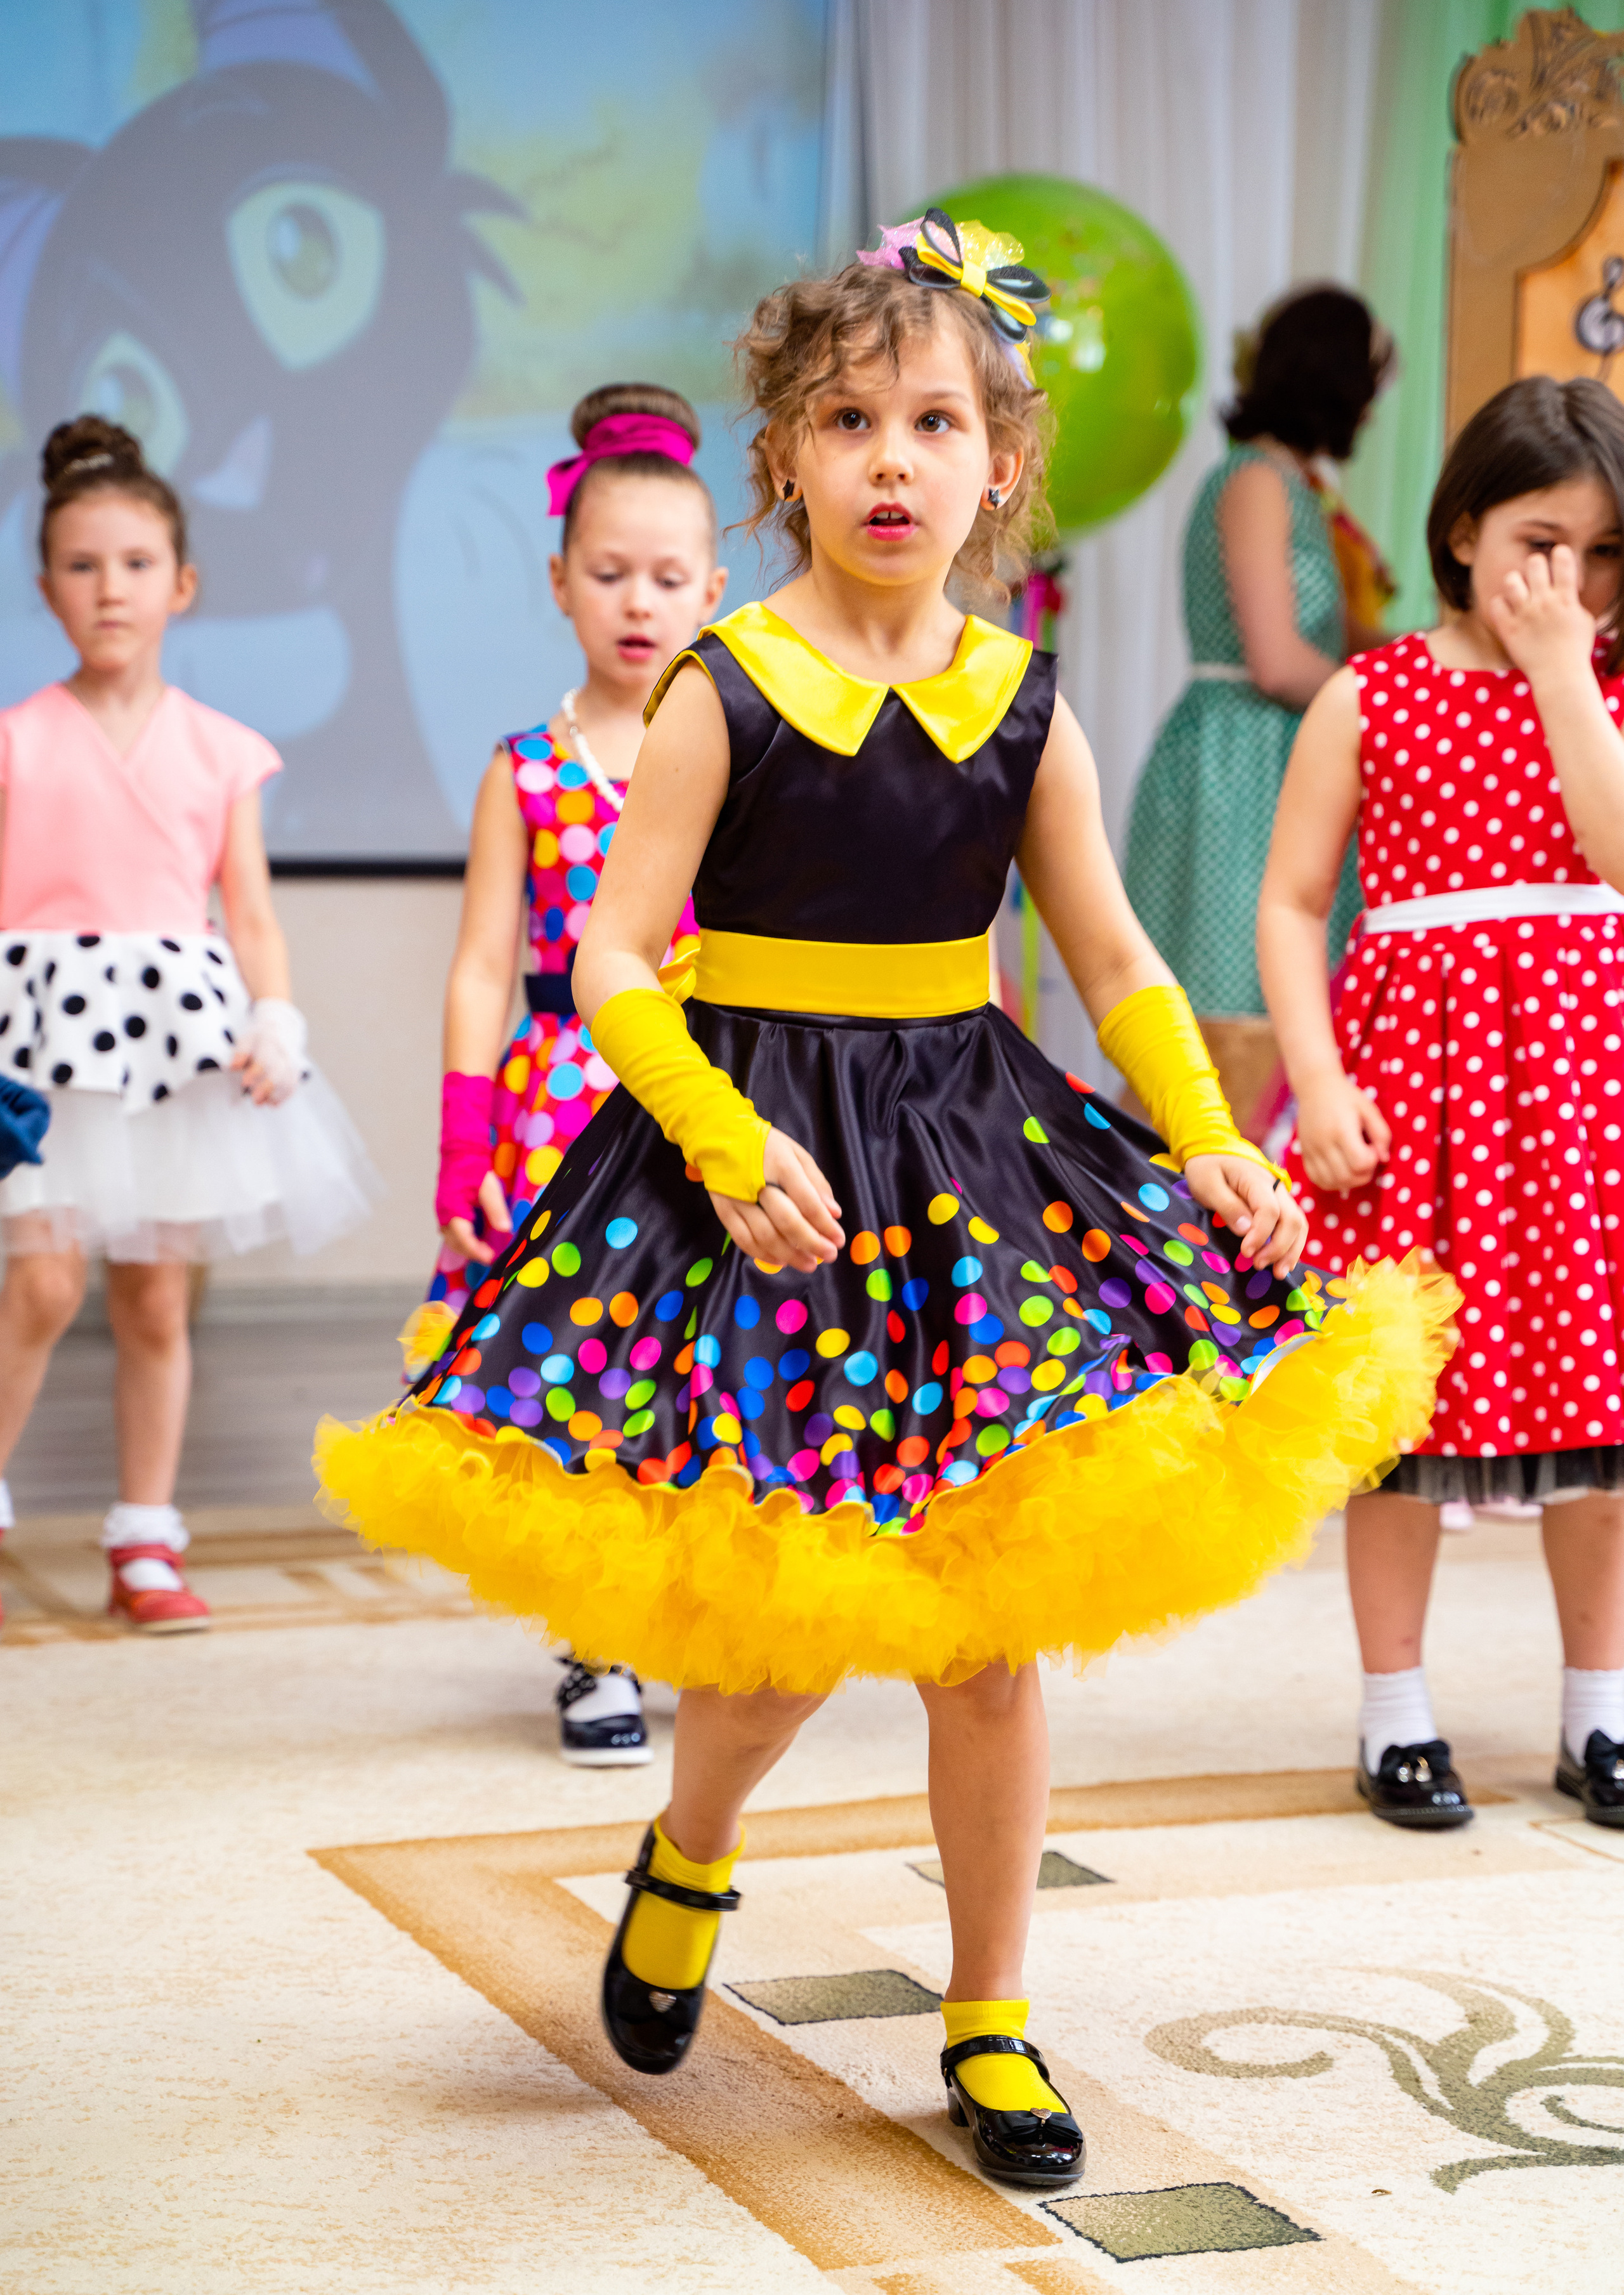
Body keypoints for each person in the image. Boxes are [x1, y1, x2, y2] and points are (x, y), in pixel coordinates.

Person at [320, 212, 1449, 2184]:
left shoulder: (1026, 705)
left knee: (985, 1633)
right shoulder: (723, 688)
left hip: (965, 1168)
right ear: (791, 461)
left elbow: (1111, 961)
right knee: (772, 1645)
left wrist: (1203, 1133)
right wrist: (724, 1135)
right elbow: (607, 960)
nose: (895, 458)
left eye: (937, 420)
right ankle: (689, 1850)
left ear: (1002, 459)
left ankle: (991, 2015)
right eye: (851, 421)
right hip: (761, 1166)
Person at [1259, 374, 1624, 1833]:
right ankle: (1392, 1712)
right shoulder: (1373, 691)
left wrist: (1556, 669)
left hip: (1584, 1093)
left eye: (1604, 555)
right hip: (1414, 1092)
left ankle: (1597, 1710)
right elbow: (1290, 905)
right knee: (1397, 1417)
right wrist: (1318, 1080)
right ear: (1463, 525)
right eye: (1544, 543)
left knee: (1605, 1416)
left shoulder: (1599, 692)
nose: (1573, 582)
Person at [0, 415, 375, 1633]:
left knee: (156, 1298)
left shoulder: (221, 750)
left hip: (172, 1048)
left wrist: (276, 1013)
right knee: (45, 1284)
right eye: (82, 563)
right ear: (46, 582)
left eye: (137, 563)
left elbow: (248, 913)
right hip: (45, 1047)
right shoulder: (15, 742)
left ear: (184, 583)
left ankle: (144, 1539)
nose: (111, 588)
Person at [418, 381, 724, 1763]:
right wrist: (460, 1143)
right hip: (558, 1107)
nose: (637, 603)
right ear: (557, 581)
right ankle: (592, 1645)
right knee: (579, 1373)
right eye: (608, 574)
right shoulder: (527, 768)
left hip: (701, 1094)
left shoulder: (726, 747)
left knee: (693, 1365)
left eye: (668, 578)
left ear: (714, 587)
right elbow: (484, 965)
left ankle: (686, 1618)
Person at [1125, 285, 1394, 1138]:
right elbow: (1277, 660)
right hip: (1237, 765)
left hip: (1280, 759)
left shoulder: (1296, 489)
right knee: (1230, 1008)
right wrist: (1390, 704)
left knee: (1281, 1006)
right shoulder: (1255, 483)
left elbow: (1350, 636)